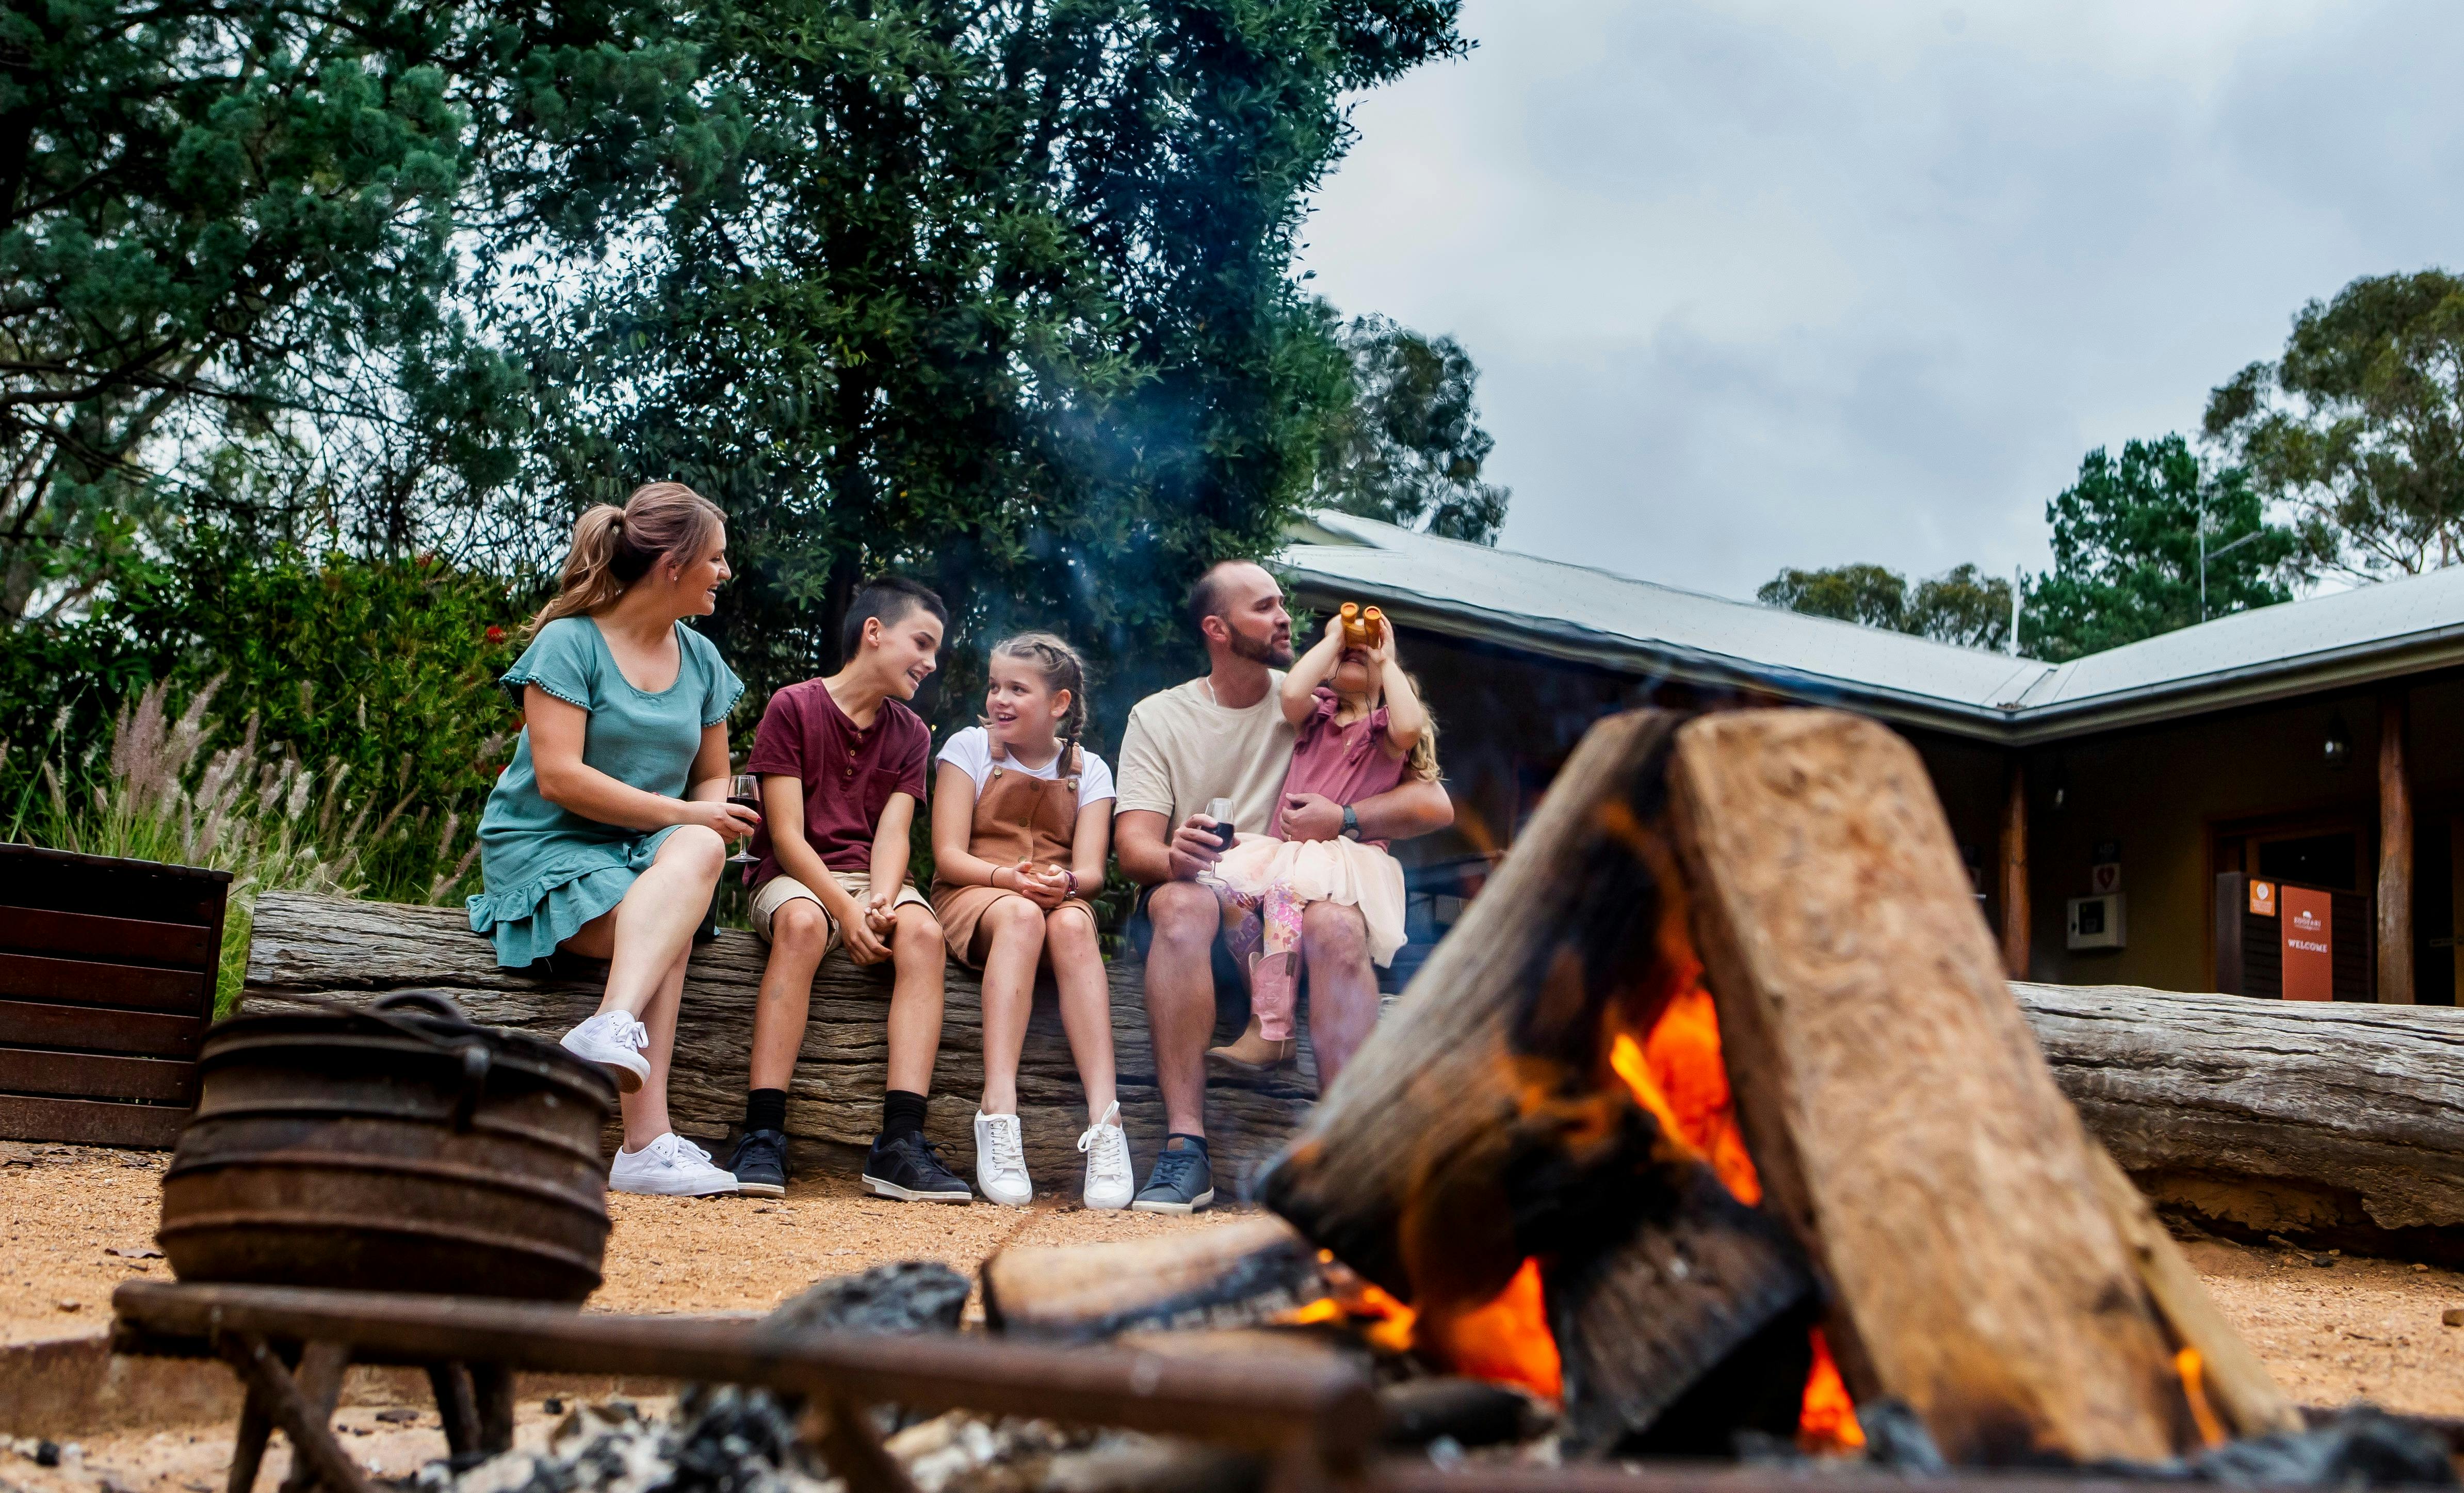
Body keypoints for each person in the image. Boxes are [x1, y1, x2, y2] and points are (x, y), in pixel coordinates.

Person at [1112, 560, 1454, 1214]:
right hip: (1211, 913)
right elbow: (1134, 849)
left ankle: (1345, 1152)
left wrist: (1344, 818)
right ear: (1217, 629)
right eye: (1265, 607)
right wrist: (1175, 855)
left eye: (1282, 603)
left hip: (1299, 919)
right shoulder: (1161, 716)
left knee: (1338, 922)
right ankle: (1185, 1147)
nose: (1285, 617)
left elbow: (1434, 801)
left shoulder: (1321, 697)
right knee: (1181, 902)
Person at [467, 481, 752, 1197]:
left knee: (700, 853)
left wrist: (699, 819)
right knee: (672, 922)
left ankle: (613, 1021)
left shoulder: (702, 660)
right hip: (548, 843)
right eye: (716, 558)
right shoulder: (569, 643)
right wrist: (684, 815)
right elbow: (559, 778)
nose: (725, 572)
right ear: (673, 566)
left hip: (641, 852)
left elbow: (712, 777)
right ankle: (645, 1143)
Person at [724, 576, 967, 1203]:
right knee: (804, 925)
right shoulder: (794, 706)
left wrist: (880, 902)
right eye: (922, 642)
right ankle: (762, 1132)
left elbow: (893, 835)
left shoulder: (912, 733)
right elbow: (785, 835)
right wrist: (843, 909)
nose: (931, 662)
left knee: (924, 933)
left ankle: (900, 1142)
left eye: (936, 650)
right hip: (794, 876)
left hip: (869, 879)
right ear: (874, 632)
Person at [928, 633, 1133, 1209]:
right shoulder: (968, 747)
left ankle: (1107, 1122)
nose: (1000, 699)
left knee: (1073, 925)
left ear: (1059, 703)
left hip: (1053, 898)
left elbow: (1091, 873)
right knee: (1021, 917)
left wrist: (1065, 884)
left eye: (1018, 689)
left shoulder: (1091, 770)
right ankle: (998, 1110)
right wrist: (1009, 880)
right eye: (995, 686)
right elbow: (948, 855)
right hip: (978, 891)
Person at [1205, 609, 1435, 1066]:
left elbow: (1410, 727)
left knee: (1283, 891)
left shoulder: (1384, 732)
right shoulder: (1316, 716)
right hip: (1289, 849)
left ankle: (1272, 1029)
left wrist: (1385, 660)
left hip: (1341, 857)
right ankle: (1271, 1002)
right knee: (1224, 889)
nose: (1354, 653)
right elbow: (1292, 690)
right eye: (1345, 655)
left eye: (1361, 656)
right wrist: (1334, 638)